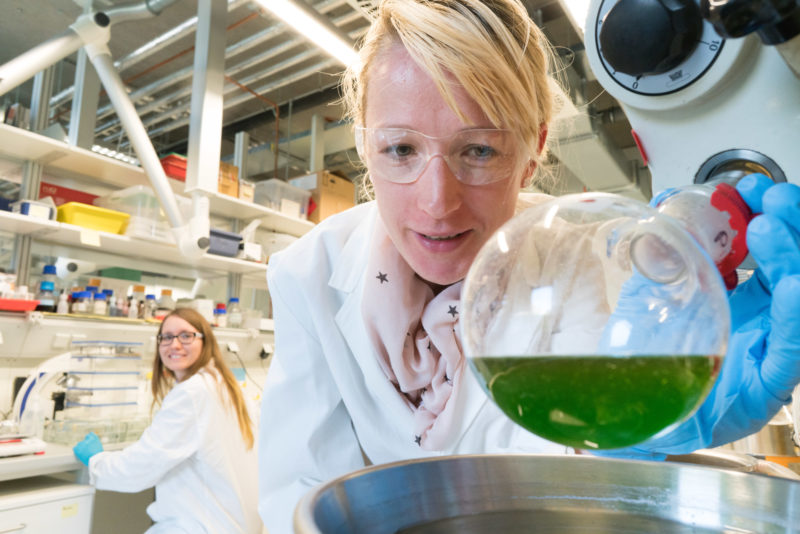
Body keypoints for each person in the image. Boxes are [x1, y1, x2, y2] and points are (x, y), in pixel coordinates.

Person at [257, 0, 800, 531]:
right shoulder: (307, 274)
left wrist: (638, 424)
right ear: (364, 147)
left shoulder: (587, 257)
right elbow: (299, 495)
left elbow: (571, 483)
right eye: (400, 150)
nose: (437, 203)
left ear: (533, 150)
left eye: (480, 151)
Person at [73, 308, 262, 534]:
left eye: (186, 336)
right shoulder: (224, 384)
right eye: (167, 337)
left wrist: (97, 461)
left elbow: (141, 466)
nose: (174, 344)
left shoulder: (193, 393)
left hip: (200, 526)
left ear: (205, 341)